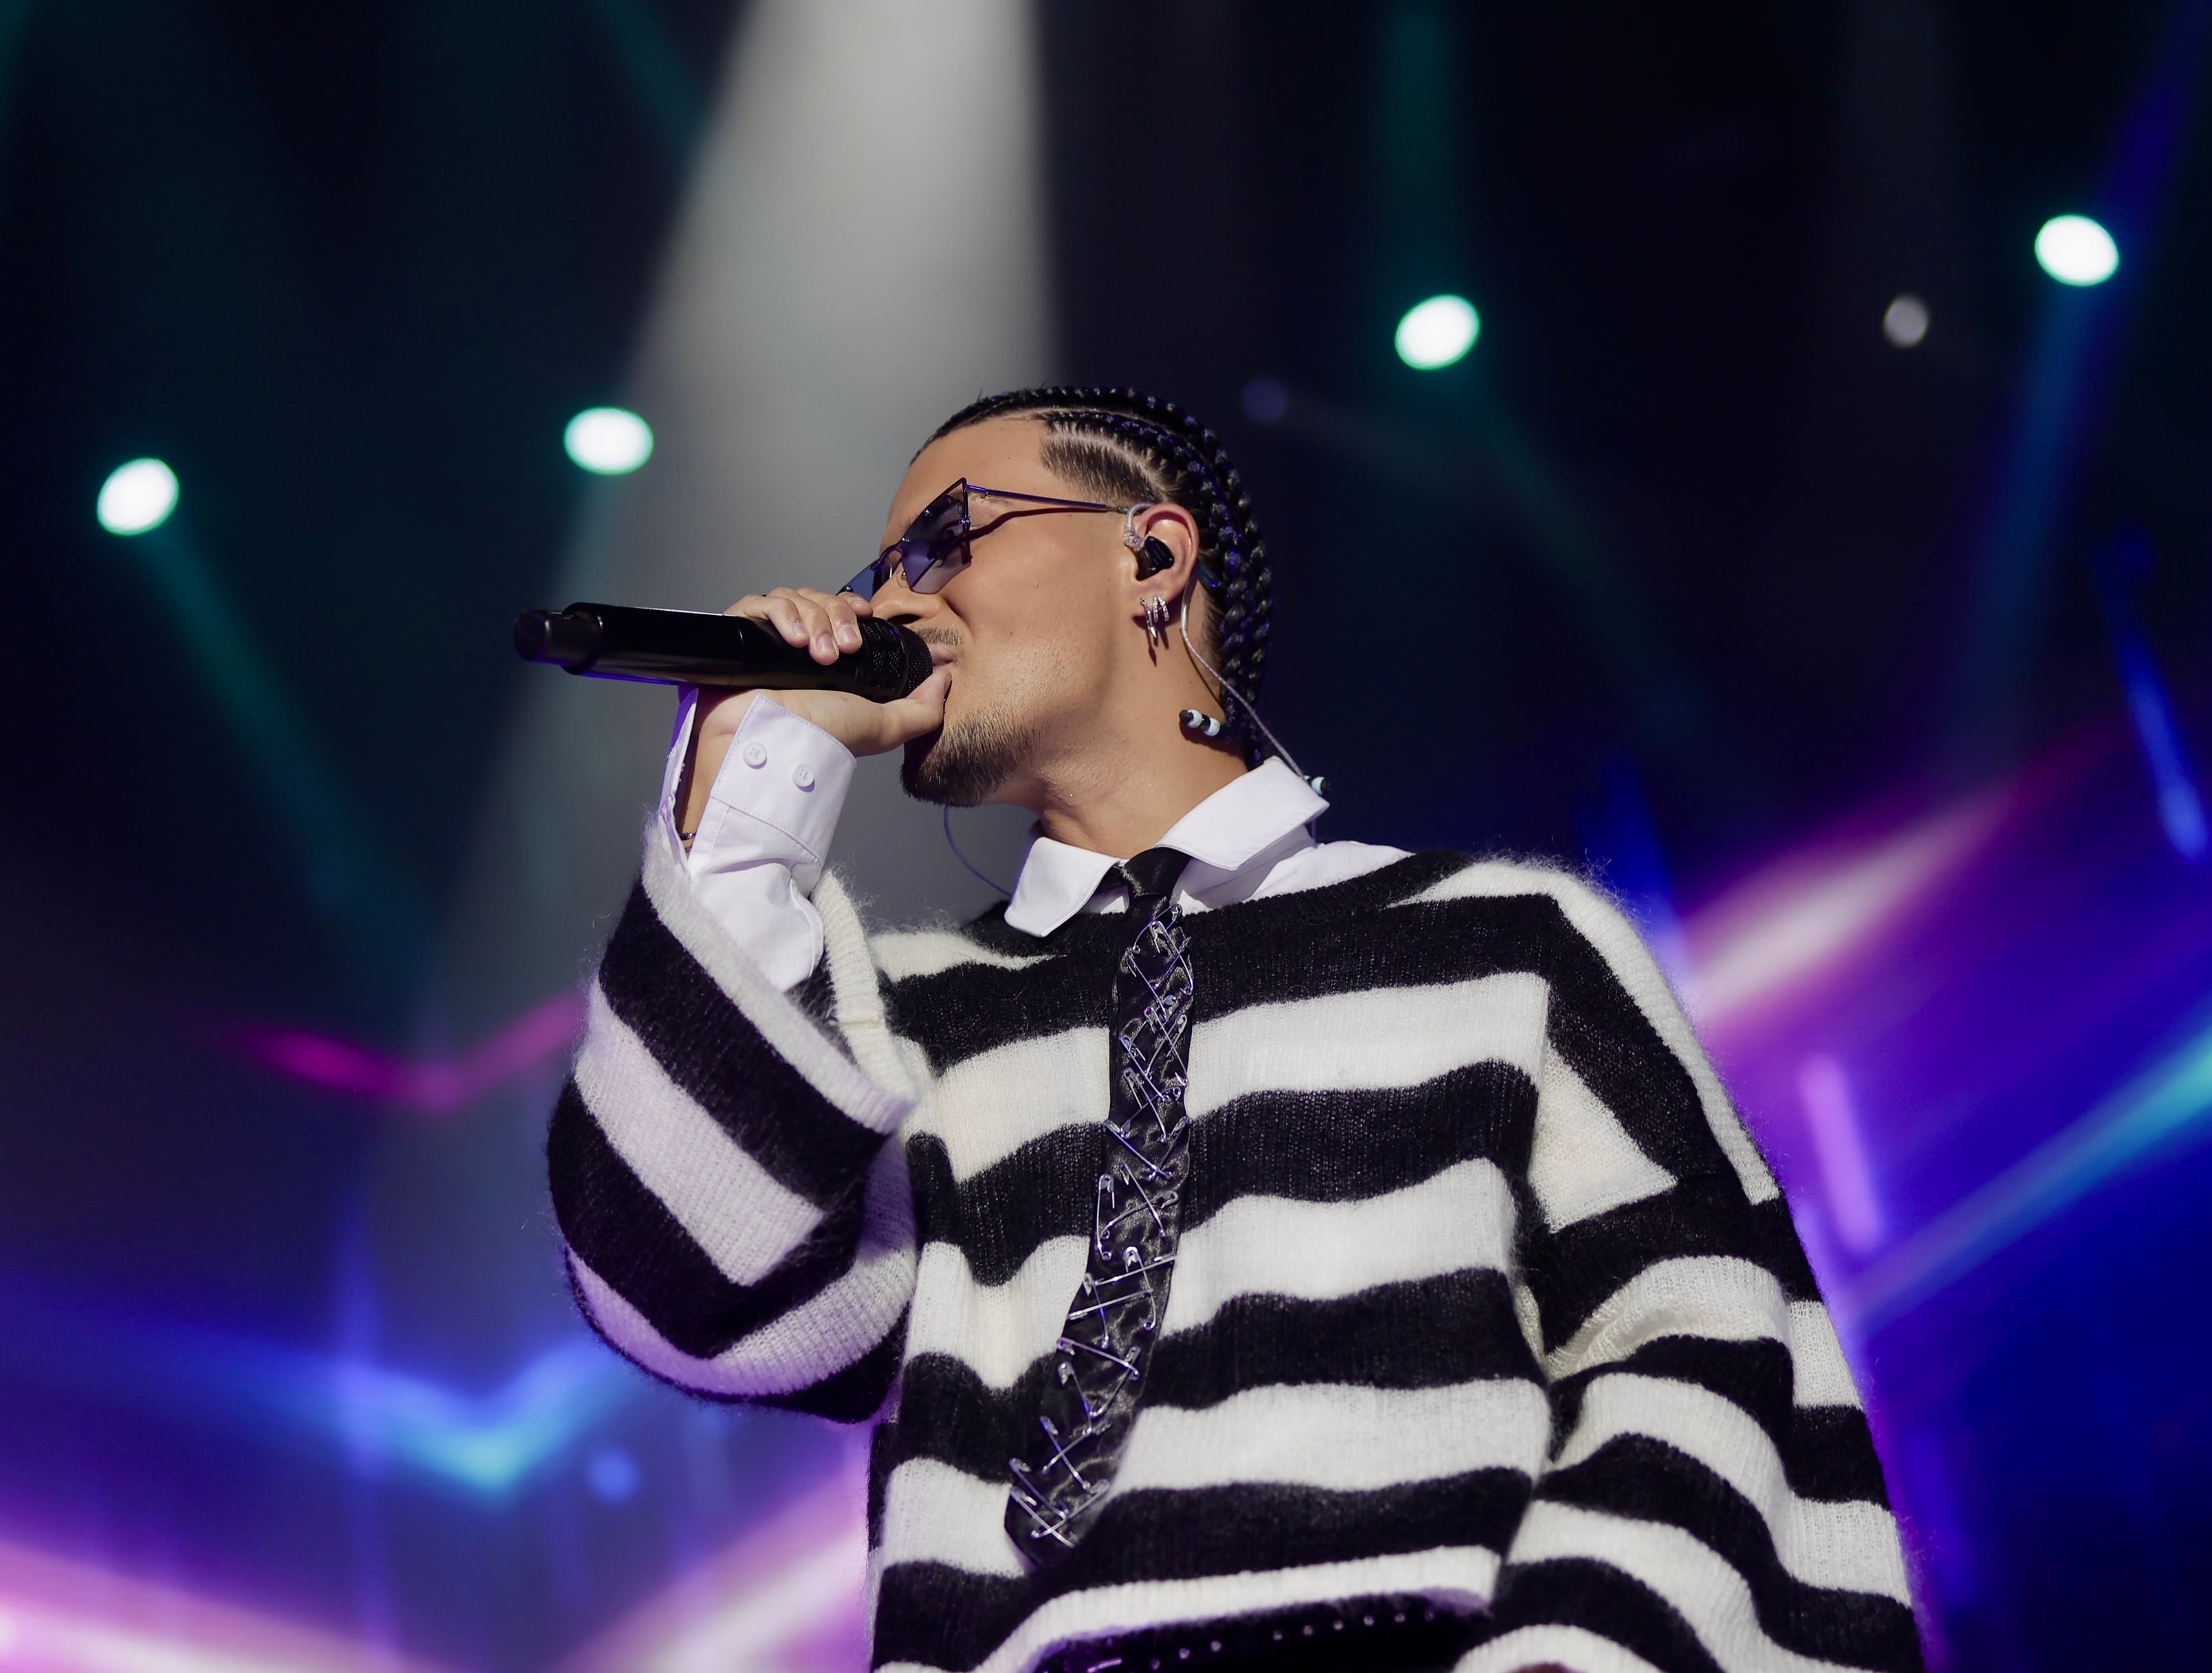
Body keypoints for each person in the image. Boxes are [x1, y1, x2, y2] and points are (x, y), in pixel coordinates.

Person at [547, 387, 1920, 1673]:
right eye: (882, 571)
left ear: (1151, 554)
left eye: (945, 541)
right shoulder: (896, 1029)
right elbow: (687, 1285)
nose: (896, 600)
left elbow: (1703, 1340)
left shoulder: (1504, 940)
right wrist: (750, 785)